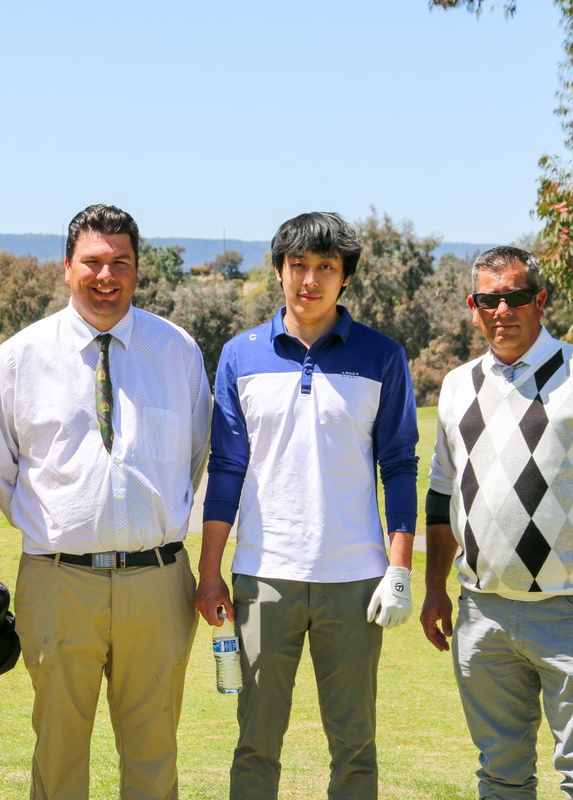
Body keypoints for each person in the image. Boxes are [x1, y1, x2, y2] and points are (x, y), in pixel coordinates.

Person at [0, 203, 211, 800]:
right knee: (57, 755)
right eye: (93, 262)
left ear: (137, 270)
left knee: (154, 754)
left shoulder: (176, 351)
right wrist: (60, 526)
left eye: (120, 263)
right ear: (66, 268)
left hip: (158, 583)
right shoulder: (21, 357)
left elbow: (198, 455)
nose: (106, 276)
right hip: (58, 583)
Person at [420, 245, 573, 800]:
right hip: (483, 612)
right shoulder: (457, 385)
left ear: (540, 300)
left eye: (517, 297)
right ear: (472, 306)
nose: (503, 311)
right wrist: (435, 589)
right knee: (500, 774)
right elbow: (439, 496)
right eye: (488, 300)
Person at [196, 211, 420, 800]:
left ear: (345, 278)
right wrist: (210, 570)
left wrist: (400, 568)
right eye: (299, 265)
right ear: (278, 271)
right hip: (264, 577)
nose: (310, 280)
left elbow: (399, 467)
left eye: (326, 267)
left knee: (354, 747)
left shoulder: (382, 357)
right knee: (256, 742)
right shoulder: (240, 356)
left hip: (355, 579)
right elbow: (226, 470)